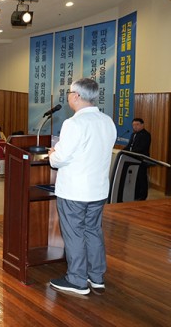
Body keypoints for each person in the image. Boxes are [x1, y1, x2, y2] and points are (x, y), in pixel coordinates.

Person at [47, 78, 117, 296]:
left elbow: (59, 159)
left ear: (76, 96)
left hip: (75, 191)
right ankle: (96, 276)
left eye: (69, 93)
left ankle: (77, 280)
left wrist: (52, 154)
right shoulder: (107, 121)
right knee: (93, 231)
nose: (68, 96)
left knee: (74, 233)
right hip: (98, 189)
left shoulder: (74, 124)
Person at [122, 118, 152, 201]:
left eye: (137, 125)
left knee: (141, 178)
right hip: (133, 159)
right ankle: (136, 194)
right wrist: (122, 151)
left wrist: (130, 152)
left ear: (142, 125)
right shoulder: (133, 134)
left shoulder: (146, 135)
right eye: (133, 125)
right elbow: (129, 146)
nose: (135, 127)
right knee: (135, 178)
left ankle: (142, 196)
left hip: (142, 160)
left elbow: (142, 148)